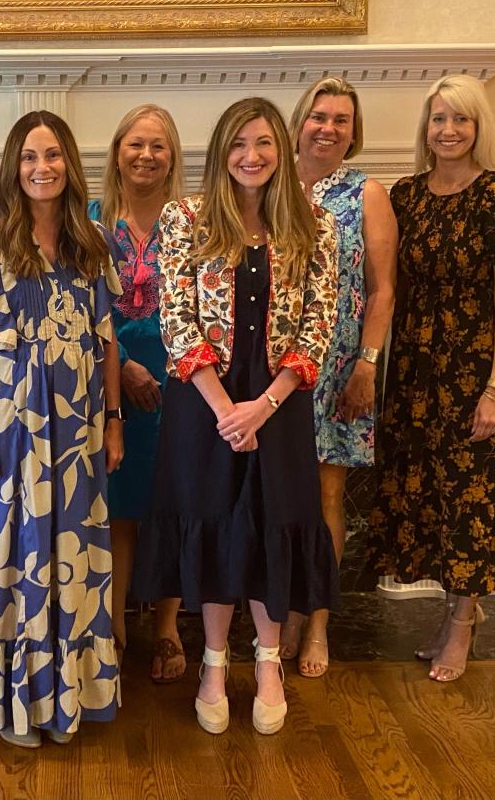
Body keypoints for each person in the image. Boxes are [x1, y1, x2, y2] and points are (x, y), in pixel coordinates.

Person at [135, 97, 339, 737]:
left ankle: (270, 661)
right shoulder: (184, 220)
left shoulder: (315, 223)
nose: (251, 156)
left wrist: (264, 406)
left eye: (264, 143)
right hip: (206, 406)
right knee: (218, 526)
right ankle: (215, 664)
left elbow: (318, 323)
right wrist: (228, 412)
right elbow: (176, 319)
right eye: (238, 144)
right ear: (221, 153)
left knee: (273, 525)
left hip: (281, 403)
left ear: (280, 149)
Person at [0, 110, 123, 748]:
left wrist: (112, 422)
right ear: (12, 166)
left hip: (77, 431)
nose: (41, 168)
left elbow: (106, 343)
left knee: (71, 557)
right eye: (29, 157)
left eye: (52, 156)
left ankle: (67, 697)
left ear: (69, 164)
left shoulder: (91, 242)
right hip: (9, 426)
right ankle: (17, 705)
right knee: (12, 557)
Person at [367, 74, 495, 683]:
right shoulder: (407, 196)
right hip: (416, 368)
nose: (447, 131)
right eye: (438, 119)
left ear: (478, 127)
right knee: (428, 495)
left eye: (460, 120)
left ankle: (463, 623)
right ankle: (448, 617)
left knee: (472, 493)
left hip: (475, 370)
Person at [279, 77, 397, 678]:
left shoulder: (366, 192)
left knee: (326, 496)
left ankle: (317, 618)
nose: (328, 128)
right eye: (319, 116)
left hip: (339, 370)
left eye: (341, 120)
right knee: (276, 498)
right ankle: (285, 612)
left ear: (354, 132)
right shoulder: (266, 183)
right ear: (299, 121)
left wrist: (365, 366)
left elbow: (382, 289)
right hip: (272, 371)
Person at [88, 103, 187, 682]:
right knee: (119, 509)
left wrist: (177, 365)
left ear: (172, 156)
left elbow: (204, 305)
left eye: (158, 145)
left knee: (171, 506)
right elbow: (82, 306)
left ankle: (168, 629)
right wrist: (122, 367)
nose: (146, 155)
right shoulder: (90, 220)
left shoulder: (194, 221)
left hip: (184, 377)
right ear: (118, 152)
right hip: (109, 375)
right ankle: (117, 628)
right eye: (136, 144)